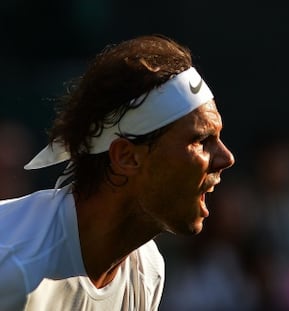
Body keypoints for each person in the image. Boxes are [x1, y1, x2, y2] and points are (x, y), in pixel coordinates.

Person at [0, 34, 235, 310]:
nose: (226, 158)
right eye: (201, 141)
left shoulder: (147, 270)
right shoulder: (11, 265)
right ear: (126, 156)